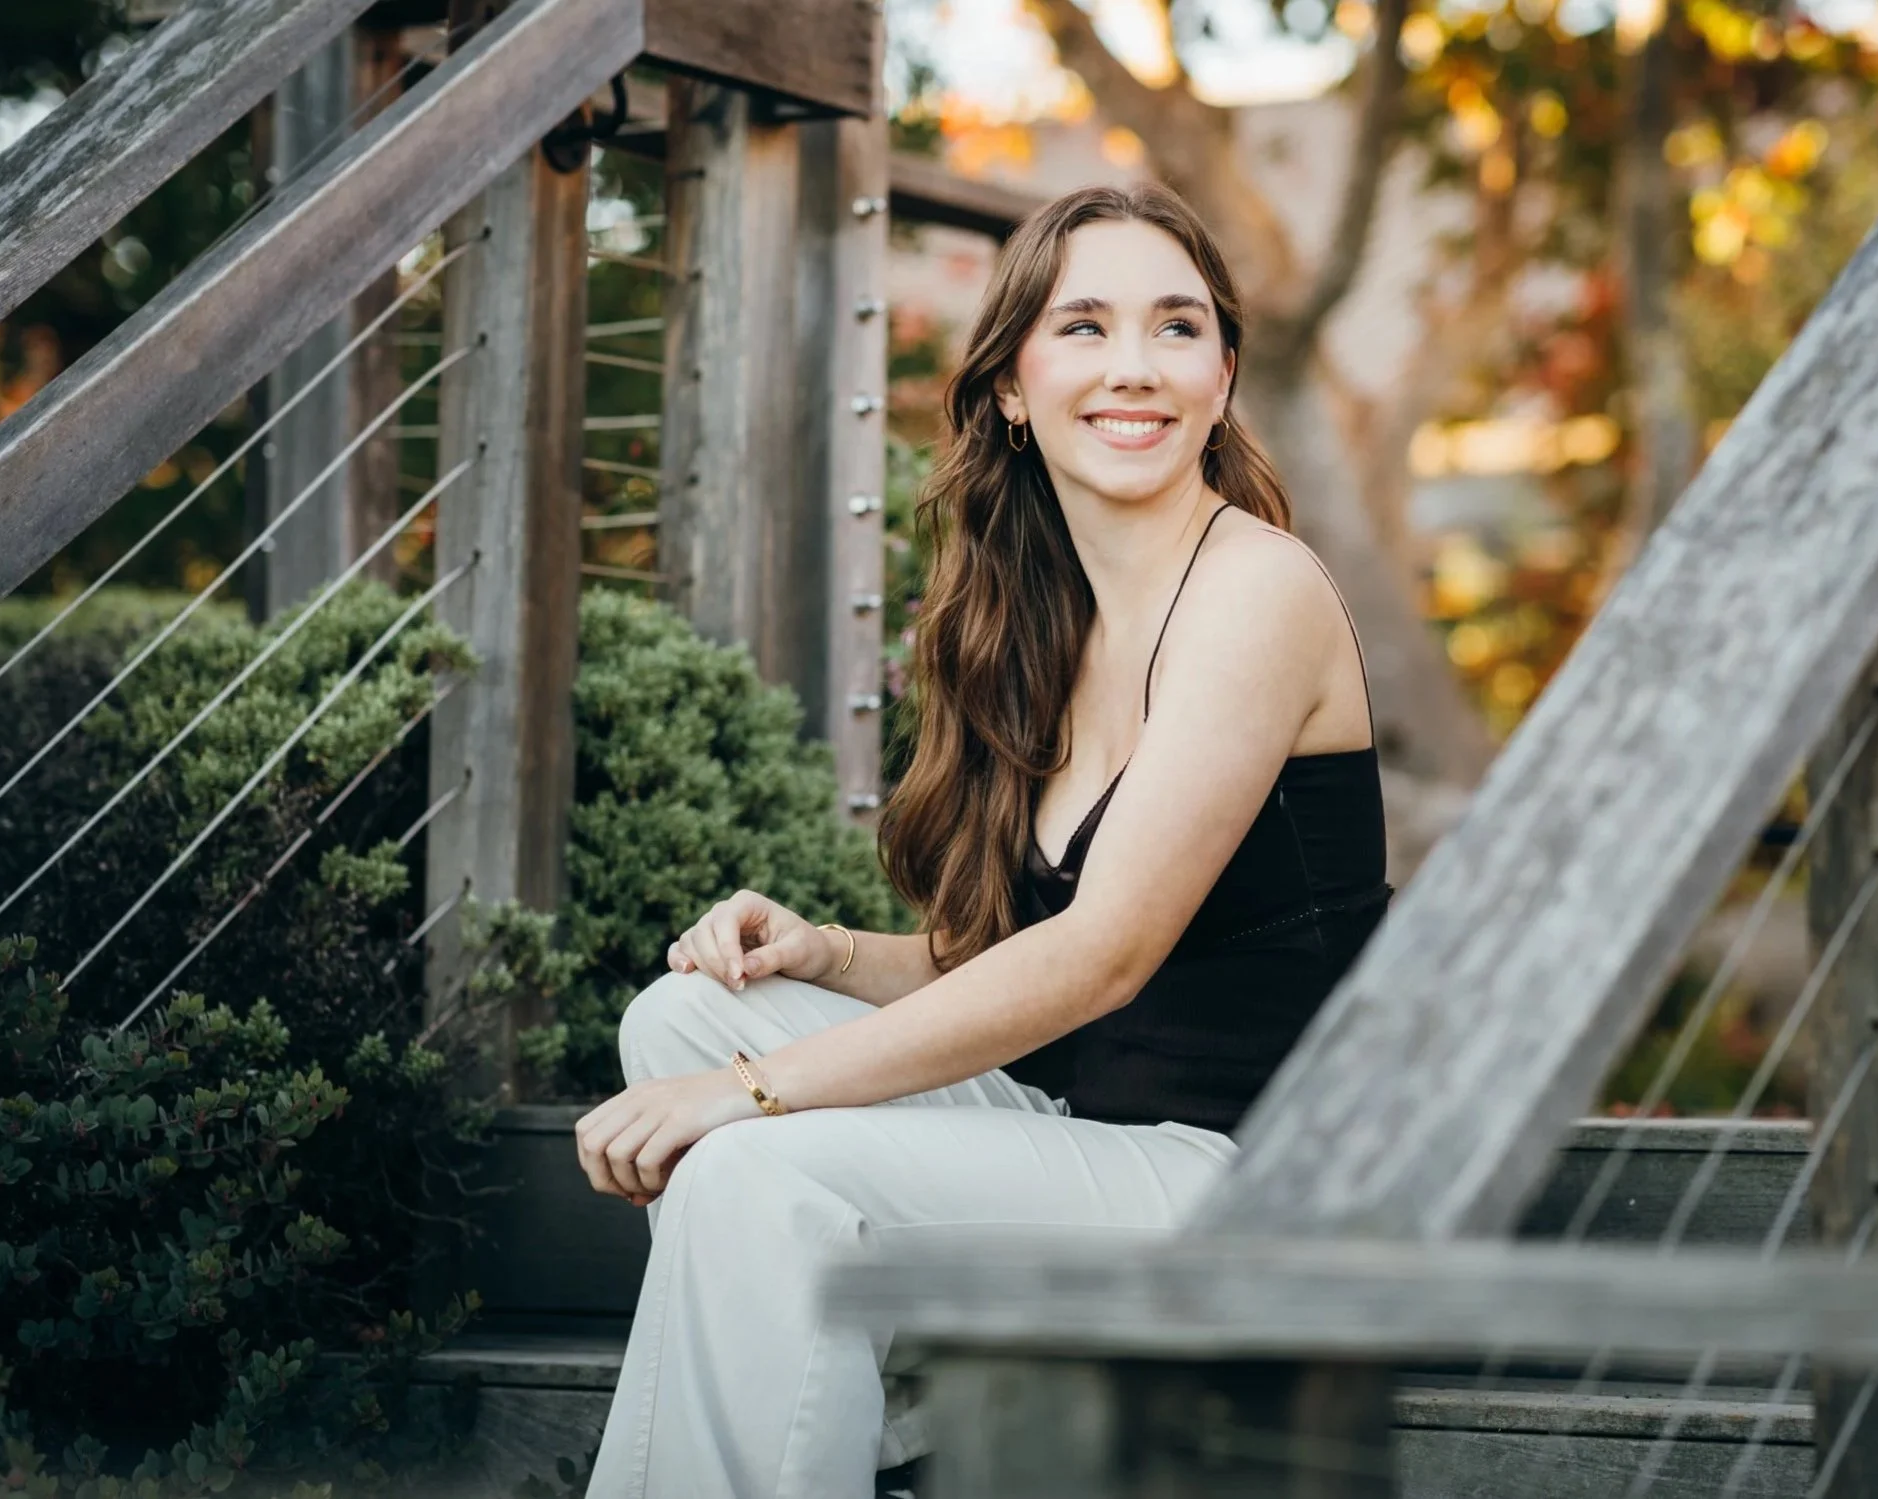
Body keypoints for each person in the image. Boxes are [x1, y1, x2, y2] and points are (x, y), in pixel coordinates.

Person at [577, 182, 1391, 1499]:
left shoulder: (1257, 595)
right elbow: (1009, 954)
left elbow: (1100, 956)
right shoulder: (1042, 622)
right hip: (1101, 1126)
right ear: (1013, 384)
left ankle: (849, 1428)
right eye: (1085, 328)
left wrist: (753, 1097)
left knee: (750, 1167)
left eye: (1177, 328)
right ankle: (878, 1413)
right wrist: (825, 948)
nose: (1135, 366)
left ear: (1223, 377)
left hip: (1254, 1183)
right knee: (683, 1021)